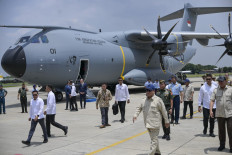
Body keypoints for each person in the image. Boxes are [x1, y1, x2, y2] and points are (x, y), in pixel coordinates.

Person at [133, 84, 169, 155]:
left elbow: (164, 111)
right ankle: (157, 152)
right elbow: (138, 108)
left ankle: (151, 153)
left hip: (155, 124)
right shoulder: (143, 100)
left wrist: (166, 121)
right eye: (146, 90)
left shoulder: (158, 100)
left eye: (149, 90)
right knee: (154, 139)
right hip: (147, 124)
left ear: (153, 91)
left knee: (154, 141)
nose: (147, 92)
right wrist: (135, 115)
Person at [210, 76, 232, 153]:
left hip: (230, 113)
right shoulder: (216, 90)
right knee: (221, 131)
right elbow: (212, 100)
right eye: (219, 81)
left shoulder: (230, 89)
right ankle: (222, 145)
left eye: (222, 81)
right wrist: (211, 110)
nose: (220, 83)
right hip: (219, 114)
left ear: (225, 81)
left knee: (231, 130)